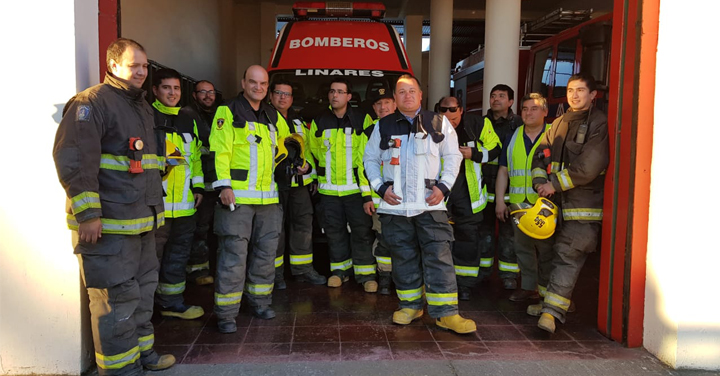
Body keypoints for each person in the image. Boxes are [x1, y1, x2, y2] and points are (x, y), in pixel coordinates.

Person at [52, 38, 174, 375]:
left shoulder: (142, 107)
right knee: (115, 301)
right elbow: (75, 161)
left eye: (145, 66)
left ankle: (142, 355)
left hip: (141, 224)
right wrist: (88, 215)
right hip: (108, 228)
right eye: (134, 65)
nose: (141, 72)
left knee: (142, 294)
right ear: (113, 65)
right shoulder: (92, 103)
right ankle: (120, 370)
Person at [363, 74, 477, 334]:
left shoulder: (439, 122)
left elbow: (453, 157)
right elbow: (369, 159)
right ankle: (410, 306)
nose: (407, 96)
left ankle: (447, 314)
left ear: (421, 95)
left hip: (430, 205)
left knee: (439, 256)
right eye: (401, 92)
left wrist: (444, 186)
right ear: (395, 97)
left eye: (411, 91)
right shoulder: (383, 125)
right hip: (395, 206)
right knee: (403, 257)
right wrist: (380, 187)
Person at [210, 65, 290, 333]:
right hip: (237, 199)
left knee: (266, 255)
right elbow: (219, 150)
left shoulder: (272, 115)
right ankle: (226, 314)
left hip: (268, 200)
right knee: (233, 256)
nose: (259, 87)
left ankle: (259, 302)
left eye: (263, 83)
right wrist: (223, 186)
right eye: (253, 82)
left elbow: (287, 142)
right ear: (243, 82)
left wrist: (295, 159)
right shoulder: (228, 111)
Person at [530, 73, 609, 333]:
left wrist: (553, 184)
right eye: (570, 90)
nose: (574, 95)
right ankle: (553, 303)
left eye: (580, 90)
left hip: (583, 208)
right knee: (551, 254)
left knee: (568, 256)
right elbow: (540, 156)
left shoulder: (599, 124)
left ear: (593, 95)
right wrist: (539, 183)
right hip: (554, 206)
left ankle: (551, 314)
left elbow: (590, 166)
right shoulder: (559, 122)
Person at [308, 78, 377, 292]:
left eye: (340, 92)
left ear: (349, 96)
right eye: (332, 91)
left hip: (355, 191)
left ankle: (366, 275)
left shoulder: (363, 119)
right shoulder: (319, 120)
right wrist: (313, 178)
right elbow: (311, 153)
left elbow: (368, 158)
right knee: (334, 232)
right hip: (328, 191)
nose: (335, 95)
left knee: (361, 232)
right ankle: (339, 272)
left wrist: (367, 193)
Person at [151, 68, 205, 320]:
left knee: (178, 256)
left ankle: (171, 303)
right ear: (155, 90)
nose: (172, 93)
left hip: (184, 204)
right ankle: (147, 308)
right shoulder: (145, 115)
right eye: (166, 88)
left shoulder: (188, 118)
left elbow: (194, 158)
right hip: (156, 205)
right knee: (150, 259)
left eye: (176, 89)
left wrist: (198, 187)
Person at [439, 96, 500, 301]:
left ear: (461, 109)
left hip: (469, 194)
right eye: (444, 110)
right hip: (441, 195)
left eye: (453, 110)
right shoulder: (431, 126)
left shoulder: (477, 124)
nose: (448, 115)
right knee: (440, 239)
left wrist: (474, 153)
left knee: (468, 239)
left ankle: (465, 285)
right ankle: (443, 282)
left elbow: (496, 148)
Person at [495, 93, 553, 304]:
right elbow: (504, 170)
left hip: (547, 204)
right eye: (525, 109)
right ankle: (528, 288)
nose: (528, 113)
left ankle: (548, 293)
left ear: (545, 112)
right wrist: (501, 201)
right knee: (522, 248)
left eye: (534, 108)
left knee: (547, 250)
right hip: (519, 204)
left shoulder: (554, 134)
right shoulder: (513, 135)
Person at [269, 80, 327, 288]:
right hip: (274, 185)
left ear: (292, 99)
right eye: (278, 93)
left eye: (287, 94)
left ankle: (302, 269)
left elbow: (309, 150)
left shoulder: (298, 121)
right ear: (271, 96)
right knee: (275, 229)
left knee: (303, 226)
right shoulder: (264, 118)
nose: (283, 98)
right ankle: (274, 275)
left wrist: (310, 170)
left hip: (299, 184)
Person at [480, 84, 524, 289]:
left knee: (509, 235)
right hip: (483, 188)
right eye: (493, 95)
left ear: (511, 102)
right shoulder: (481, 123)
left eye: (501, 96)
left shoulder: (519, 125)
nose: (496, 99)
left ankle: (509, 276)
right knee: (484, 233)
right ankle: (483, 271)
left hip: (510, 190)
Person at [181, 80, 219, 286]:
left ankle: (209, 265)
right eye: (203, 92)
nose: (207, 95)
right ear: (194, 95)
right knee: (200, 228)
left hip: (217, 182)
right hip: (200, 183)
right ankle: (198, 269)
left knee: (214, 228)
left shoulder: (218, 115)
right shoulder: (187, 115)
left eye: (211, 92)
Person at [361, 87, 397, 295]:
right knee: (383, 240)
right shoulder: (369, 132)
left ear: (394, 103)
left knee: (403, 239)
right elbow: (362, 165)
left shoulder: (408, 127)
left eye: (387, 102)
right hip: (379, 199)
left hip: (405, 199)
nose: (383, 107)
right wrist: (368, 195)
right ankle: (384, 276)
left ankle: (402, 277)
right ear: (373, 108)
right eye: (378, 104)